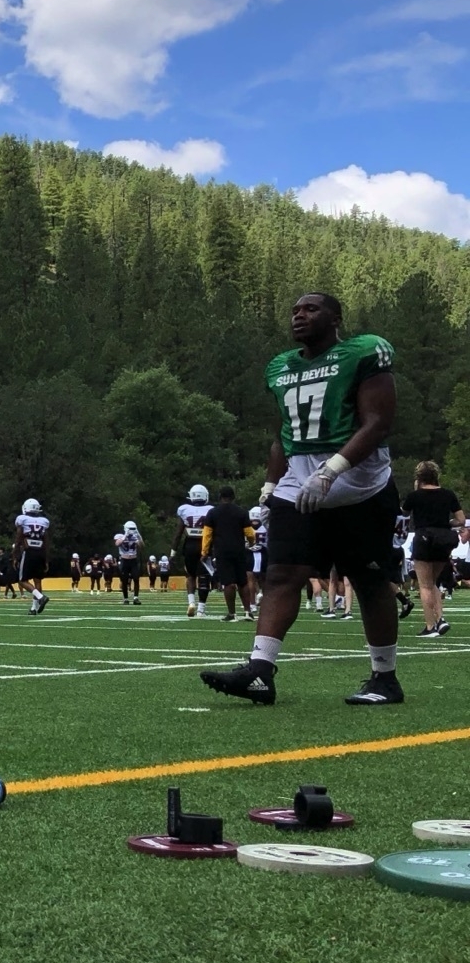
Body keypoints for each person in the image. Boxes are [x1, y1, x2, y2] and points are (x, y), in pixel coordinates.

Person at [202, 293, 402, 706]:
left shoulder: (363, 352)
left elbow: (379, 422)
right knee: (281, 575)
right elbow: (285, 433)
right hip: (300, 480)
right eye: (294, 309)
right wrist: (271, 486)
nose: (299, 315)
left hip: (359, 480)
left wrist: (332, 470)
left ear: (335, 318)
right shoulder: (282, 367)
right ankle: (260, 671)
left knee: (368, 579)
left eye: (310, 309)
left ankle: (385, 677)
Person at [405, 461, 464, 638]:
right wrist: (445, 523)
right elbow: (460, 520)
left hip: (424, 538)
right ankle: (441, 619)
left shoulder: (415, 496)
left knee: (424, 585)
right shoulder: (448, 495)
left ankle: (430, 626)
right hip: (443, 539)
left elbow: (404, 515)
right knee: (433, 583)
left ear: (419, 477)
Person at [200, 487, 253, 621]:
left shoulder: (213, 513)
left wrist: (204, 552)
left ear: (220, 497)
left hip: (222, 551)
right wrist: (251, 543)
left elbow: (207, 535)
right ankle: (248, 612)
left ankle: (232, 613)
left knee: (228, 583)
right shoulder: (241, 512)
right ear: (233, 497)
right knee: (243, 582)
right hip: (239, 549)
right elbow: (250, 533)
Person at [178, 485, 213, 617]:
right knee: (204, 577)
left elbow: (178, 533)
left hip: (189, 545)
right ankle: (201, 609)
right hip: (204, 544)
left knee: (190, 575)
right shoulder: (211, 510)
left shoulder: (184, 510)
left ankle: (191, 602)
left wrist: (173, 551)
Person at [12, 497, 51, 614]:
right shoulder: (44, 521)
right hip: (40, 553)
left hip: (29, 552)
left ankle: (40, 597)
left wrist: (15, 554)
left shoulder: (22, 519)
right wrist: (46, 560)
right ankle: (34, 608)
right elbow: (46, 542)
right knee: (37, 581)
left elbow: (19, 538)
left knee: (22, 580)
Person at [116, 522, 144, 605]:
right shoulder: (120, 536)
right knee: (124, 580)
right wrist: (125, 535)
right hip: (124, 560)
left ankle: (136, 598)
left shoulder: (135, 537)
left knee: (136, 578)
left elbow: (142, 546)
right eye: (130, 529)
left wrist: (139, 536)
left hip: (133, 560)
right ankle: (125, 598)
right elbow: (117, 543)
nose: (132, 531)